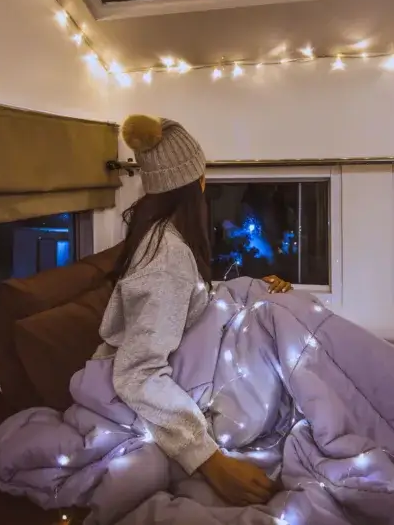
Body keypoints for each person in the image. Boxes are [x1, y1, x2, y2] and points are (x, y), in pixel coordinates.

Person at [98, 114, 292, 507]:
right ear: (193, 185)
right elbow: (138, 372)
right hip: (172, 386)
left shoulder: (166, 241)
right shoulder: (165, 258)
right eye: (203, 177)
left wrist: (256, 289)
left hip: (193, 361)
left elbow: (187, 310)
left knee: (282, 319)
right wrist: (210, 460)